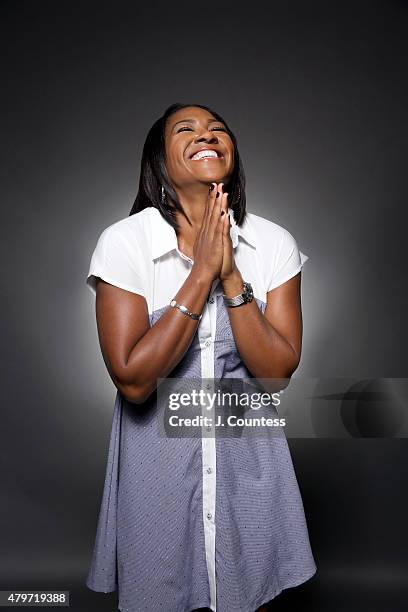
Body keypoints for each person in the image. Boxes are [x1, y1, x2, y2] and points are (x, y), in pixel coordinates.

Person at [85, 102, 317, 612]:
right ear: (159, 162)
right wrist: (201, 272)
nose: (206, 135)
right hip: (156, 467)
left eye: (217, 128)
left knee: (249, 591)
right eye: (184, 130)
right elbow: (134, 380)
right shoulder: (125, 242)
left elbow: (276, 373)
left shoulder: (273, 242)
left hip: (250, 461)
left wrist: (232, 278)